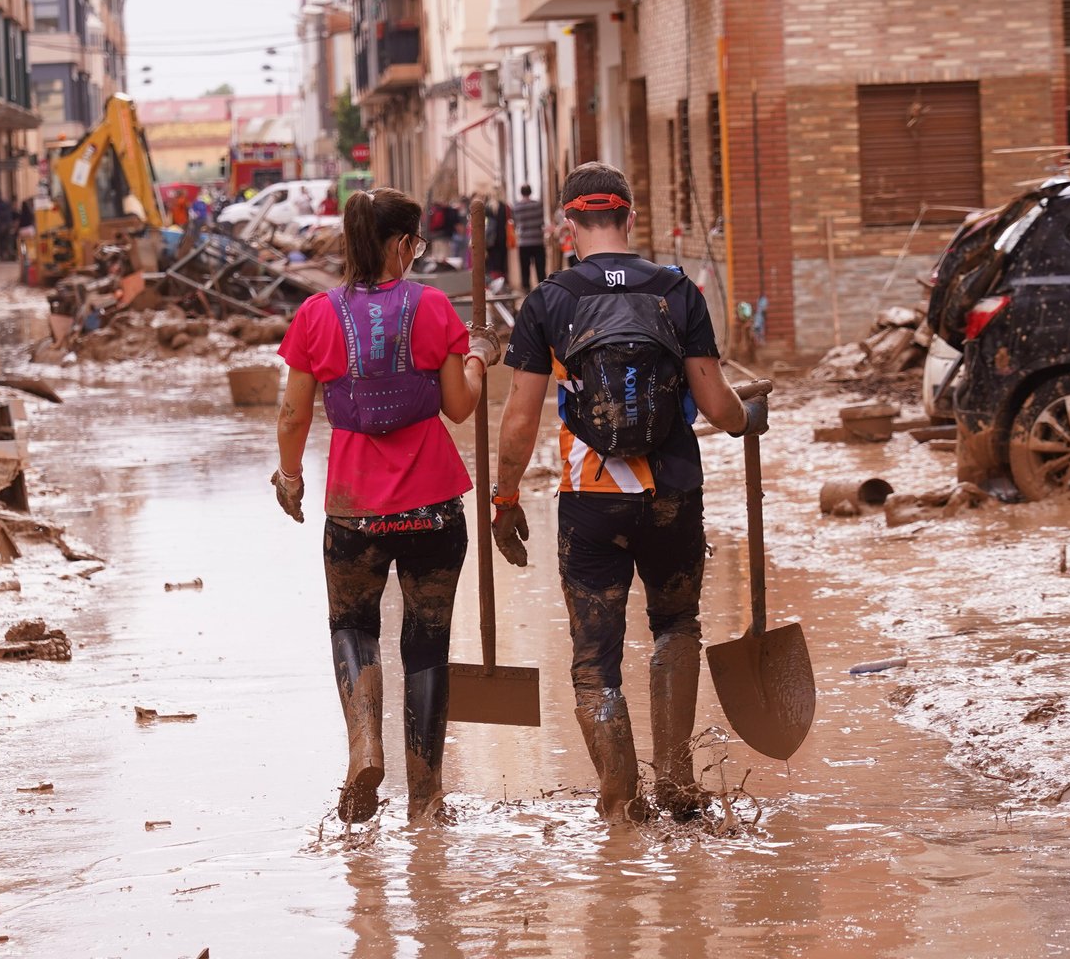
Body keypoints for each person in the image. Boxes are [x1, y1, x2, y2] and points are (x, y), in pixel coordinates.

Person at [489, 162, 764, 824]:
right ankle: (674, 779)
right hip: (673, 495)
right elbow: (718, 407)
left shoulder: (548, 301)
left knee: (595, 657)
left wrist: (503, 498)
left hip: (591, 501)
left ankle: (619, 800)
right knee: (675, 628)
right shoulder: (679, 290)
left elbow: (520, 418)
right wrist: (749, 417)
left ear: (565, 225)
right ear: (631, 218)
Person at [272, 187, 498, 825]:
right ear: (402, 245)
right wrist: (479, 355)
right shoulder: (431, 307)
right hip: (432, 507)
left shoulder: (316, 314)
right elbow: (459, 405)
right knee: (426, 644)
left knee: (353, 626)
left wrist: (290, 478)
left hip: (353, 510)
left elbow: (292, 413)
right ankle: (426, 800)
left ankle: (364, 746)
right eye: (417, 244)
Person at [512, 184, 547, 290]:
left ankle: (526, 290)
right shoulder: (537, 205)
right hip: (538, 241)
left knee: (525, 269)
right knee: (540, 268)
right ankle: (543, 289)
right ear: (530, 192)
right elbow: (541, 222)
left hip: (524, 242)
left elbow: (515, 223)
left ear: (521, 193)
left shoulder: (517, 207)